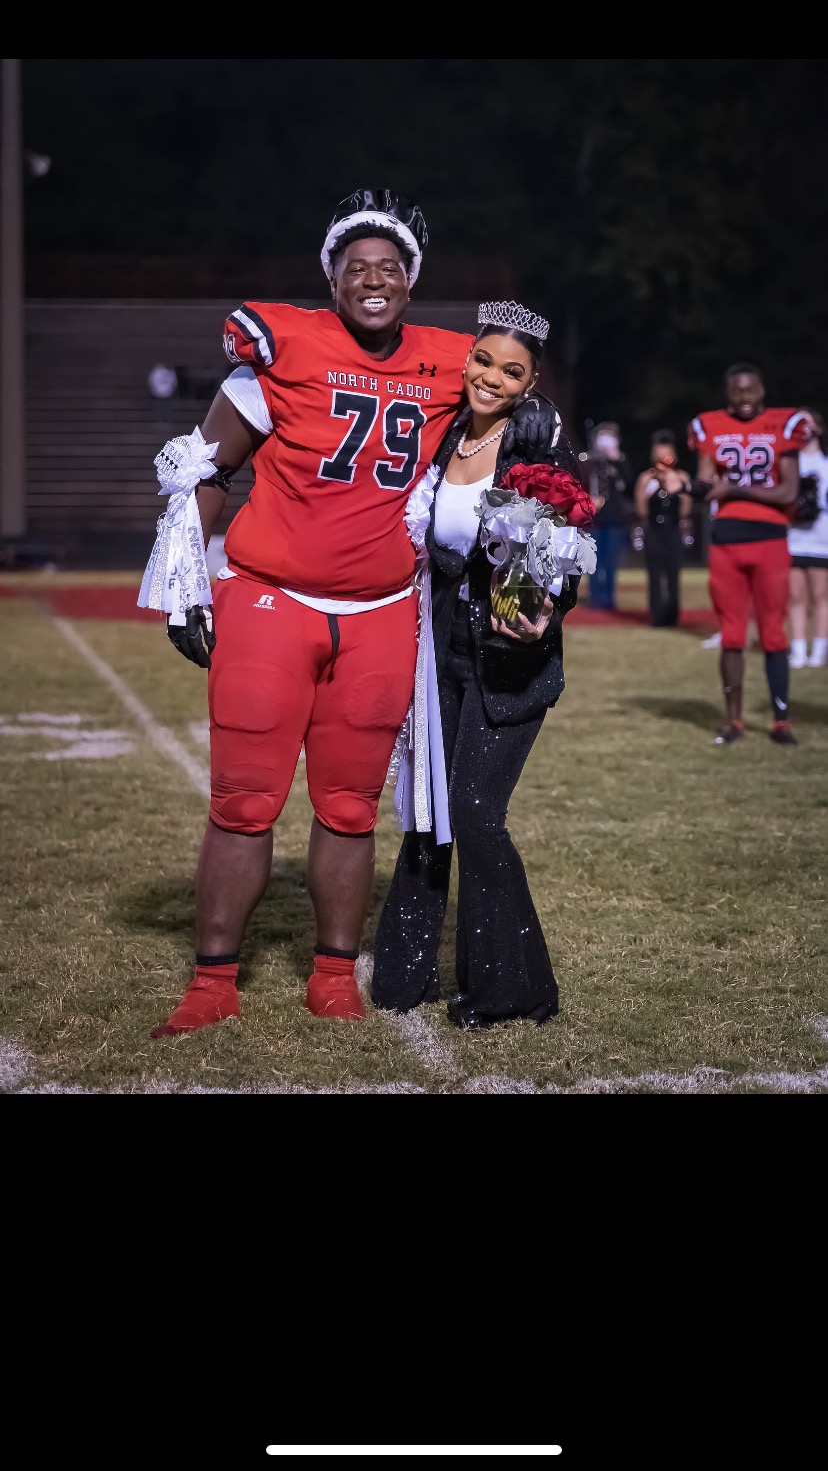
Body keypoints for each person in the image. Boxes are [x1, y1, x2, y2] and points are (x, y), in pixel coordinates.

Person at [137, 189, 563, 1035]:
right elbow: (201, 470)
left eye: (390, 268)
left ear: (411, 279)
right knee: (244, 800)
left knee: (349, 806)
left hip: (381, 612)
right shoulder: (282, 343)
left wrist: (533, 419)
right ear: (330, 277)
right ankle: (213, 979)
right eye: (356, 267)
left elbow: (511, 382)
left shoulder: (452, 358)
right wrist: (185, 582)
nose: (374, 280)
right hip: (272, 597)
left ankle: (333, 972)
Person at [371, 301, 595, 1029]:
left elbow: (558, 556)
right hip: (440, 653)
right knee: (429, 808)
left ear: (530, 385)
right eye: (484, 361)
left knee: (474, 813)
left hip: (508, 660)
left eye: (512, 371)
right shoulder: (441, 442)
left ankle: (516, 989)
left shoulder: (536, 449)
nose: (490, 378)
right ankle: (405, 977)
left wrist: (545, 610)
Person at [686, 364, 809, 746]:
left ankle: (780, 721)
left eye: (750, 390)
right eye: (737, 392)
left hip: (771, 539)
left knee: (773, 632)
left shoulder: (785, 423)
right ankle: (734, 722)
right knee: (733, 634)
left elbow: (787, 493)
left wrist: (732, 489)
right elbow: (707, 487)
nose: (744, 398)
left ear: (762, 389)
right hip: (726, 540)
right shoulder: (708, 426)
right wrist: (689, 485)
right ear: (727, 392)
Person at [632, 429, 694, 627]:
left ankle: (673, 615)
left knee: (673, 574)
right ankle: (657, 615)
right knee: (655, 574)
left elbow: (686, 507)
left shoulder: (681, 476)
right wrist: (652, 486)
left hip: (673, 528)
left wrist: (675, 484)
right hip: (654, 529)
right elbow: (640, 508)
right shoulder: (646, 478)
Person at [787, 408, 828, 668]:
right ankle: (798, 649)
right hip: (793, 536)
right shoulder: (790, 464)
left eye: (810, 424)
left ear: (819, 429)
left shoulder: (825, 464)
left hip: (821, 537)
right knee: (794, 595)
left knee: (820, 595)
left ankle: (819, 650)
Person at [584, 421, 634, 610]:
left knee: (611, 561)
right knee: (593, 561)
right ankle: (596, 598)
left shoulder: (620, 461)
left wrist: (616, 458)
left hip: (616, 519)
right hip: (594, 519)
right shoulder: (590, 462)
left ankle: (609, 597)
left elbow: (629, 485)